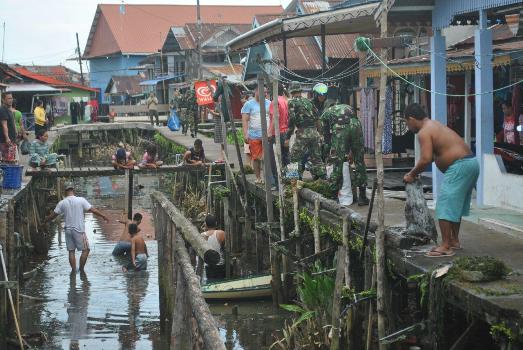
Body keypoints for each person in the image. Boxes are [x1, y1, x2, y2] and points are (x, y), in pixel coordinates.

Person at [402, 103, 479, 258]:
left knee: (444, 205)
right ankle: (453, 241)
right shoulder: (433, 124)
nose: (408, 127)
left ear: (411, 119)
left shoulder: (424, 131)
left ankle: (445, 246)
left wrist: (411, 174)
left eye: (406, 123)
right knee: (455, 205)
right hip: (470, 164)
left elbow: (426, 159)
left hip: (460, 166)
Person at [44, 183, 109, 271]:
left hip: (68, 230)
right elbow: (92, 210)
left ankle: (74, 271)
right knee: (86, 250)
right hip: (78, 230)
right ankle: (81, 270)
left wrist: (44, 221)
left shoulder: (62, 203)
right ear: (73, 191)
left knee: (71, 251)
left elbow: (53, 215)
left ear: (65, 192)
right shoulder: (81, 200)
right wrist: (103, 216)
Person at [321, 104, 369, 205]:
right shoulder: (346, 107)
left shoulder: (324, 116)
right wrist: (350, 152)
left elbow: (327, 139)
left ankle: (334, 197)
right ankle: (362, 196)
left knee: (337, 163)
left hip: (340, 126)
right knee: (359, 161)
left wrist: (328, 154)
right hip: (355, 124)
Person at [285, 82, 326, 180]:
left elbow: (292, 119)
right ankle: (323, 179)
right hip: (314, 133)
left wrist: (287, 137)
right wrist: (320, 134)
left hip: (303, 133)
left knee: (294, 157)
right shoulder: (309, 102)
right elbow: (317, 118)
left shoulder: (292, 102)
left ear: (292, 92)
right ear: (300, 91)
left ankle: (293, 181)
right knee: (317, 158)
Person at [241, 82, 271, 184]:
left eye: (266, 92)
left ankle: (267, 178)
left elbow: (272, 118)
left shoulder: (269, 103)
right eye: (263, 92)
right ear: (256, 91)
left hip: (267, 135)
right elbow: (244, 120)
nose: (265, 94)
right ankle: (258, 177)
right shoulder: (248, 104)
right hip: (254, 135)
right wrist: (245, 134)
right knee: (256, 157)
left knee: (266, 157)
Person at [268, 83, 289, 186]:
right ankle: (289, 181)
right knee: (286, 158)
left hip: (276, 133)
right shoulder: (285, 101)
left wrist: (269, 133)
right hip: (285, 132)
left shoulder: (274, 102)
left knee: (274, 159)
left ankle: (278, 184)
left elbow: (275, 117)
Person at [201, 214, 225, 280]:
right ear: (216, 223)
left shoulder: (202, 235)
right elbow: (225, 247)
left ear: (205, 224)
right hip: (220, 265)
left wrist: (204, 230)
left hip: (208, 266)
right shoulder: (221, 233)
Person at [0, 93, 18, 163]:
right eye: (8, 98)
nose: (11, 100)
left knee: (12, 160)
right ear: (3, 100)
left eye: (11, 98)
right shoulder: (2, 110)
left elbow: (12, 122)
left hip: (11, 139)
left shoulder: (9, 109)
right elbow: (4, 125)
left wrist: (16, 131)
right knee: (7, 161)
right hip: (6, 141)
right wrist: (7, 138)